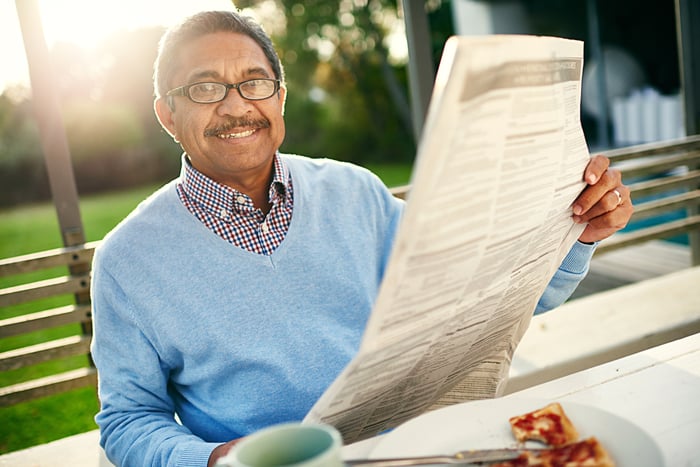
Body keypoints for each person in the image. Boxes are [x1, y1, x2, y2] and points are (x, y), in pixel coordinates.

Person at [90, 9, 634, 467]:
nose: (236, 106)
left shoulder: (356, 193)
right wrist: (214, 459)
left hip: (416, 449)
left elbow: (489, 302)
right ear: (168, 114)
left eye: (254, 82)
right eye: (205, 88)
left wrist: (579, 232)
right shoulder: (126, 261)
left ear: (279, 99)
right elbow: (128, 418)